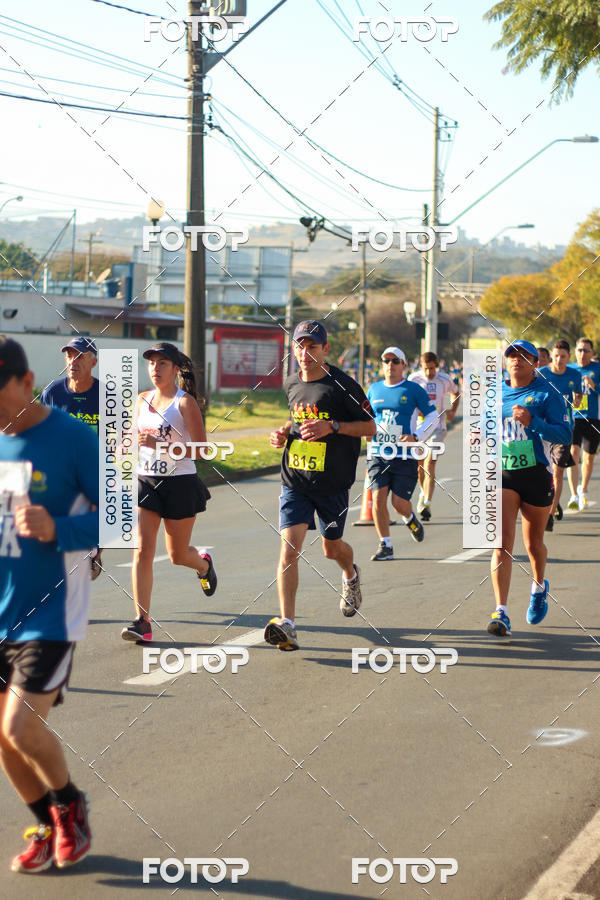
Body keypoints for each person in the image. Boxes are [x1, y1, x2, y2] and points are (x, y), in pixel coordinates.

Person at [0, 336, 98, 872]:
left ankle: (70, 808)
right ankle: (44, 823)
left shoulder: (73, 439)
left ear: (27, 382)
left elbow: (122, 517)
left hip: (49, 612)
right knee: (4, 740)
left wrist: (59, 527)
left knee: (19, 729)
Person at [265, 321, 375, 651]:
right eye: (299, 346)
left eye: (312, 346)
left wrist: (334, 426)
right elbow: (298, 418)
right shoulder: (291, 383)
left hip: (333, 483)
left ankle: (350, 574)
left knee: (331, 548)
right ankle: (288, 624)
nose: (304, 352)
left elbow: (371, 427)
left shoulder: (344, 385)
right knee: (289, 548)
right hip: (295, 480)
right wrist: (283, 432)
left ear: (325, 349)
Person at [121, 342, 216, 642]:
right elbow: (128, 441)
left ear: (175, 369)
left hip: (180, 483)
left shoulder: (184, 403)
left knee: (176, 555)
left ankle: (203, 565)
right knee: (142, 550)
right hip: (146, 480)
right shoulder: (141, 400)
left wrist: (160, 445)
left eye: (162, 363)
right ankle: (142, 621)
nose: (155, 368)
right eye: (151, 363)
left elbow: (201, 450)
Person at [487, 340, 571, 638]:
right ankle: (501, 611)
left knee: (534, 544)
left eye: (523, 356)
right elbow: (485, 426)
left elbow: (564, 433)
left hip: (537, 472)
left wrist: (533, 421)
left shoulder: (547, 393)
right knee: (502, 543)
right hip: (504, 472)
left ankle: (538, 586)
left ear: (536, 362)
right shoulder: (495, 391)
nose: (516, 360)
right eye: (511, 355)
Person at [366, 347, 438, 560]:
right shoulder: (374, 389)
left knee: (398, 503)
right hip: (379, 453)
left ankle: (410, 518)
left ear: (404, 365)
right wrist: (366, 433)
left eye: (395, 361)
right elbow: (366, 417)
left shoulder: (414, 390)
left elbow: (433, 417)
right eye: (386, 360)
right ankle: (385, 545)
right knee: (378, 498)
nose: (390, 365)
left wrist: (416, 436)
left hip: (405, 455)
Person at [41, 337, 103, 579]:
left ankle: (93, 552)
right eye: (69, 356)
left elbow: (121, 441)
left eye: (80, 356)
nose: (73, 361)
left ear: (93, 361)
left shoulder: (107, 396)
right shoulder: (53, 393)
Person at [408, 351, 460, 520]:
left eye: (431, 368)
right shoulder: (414, 379)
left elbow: (456, 392)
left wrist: (452, 410)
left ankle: (427, 505)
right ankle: (423, 494)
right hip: (419, 429)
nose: (429, 372)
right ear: (420, 367)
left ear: (436, 366)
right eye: (426, 369)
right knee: (420, 468)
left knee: (430, 464)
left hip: (438, 427)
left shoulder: (444, 379)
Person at [536, 339, 582, 530]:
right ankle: (546, 503)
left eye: (563, 356)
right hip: (542, 430)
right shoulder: (541, 374)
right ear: (551, 357)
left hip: (563, 430)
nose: (559, 360)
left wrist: (578, 400)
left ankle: (550, 514)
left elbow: (578, 401)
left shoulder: (574, 375)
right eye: (556, 356)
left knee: (558, 471)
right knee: (541, 471)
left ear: (568, 357)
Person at [567, 337, 600, 511]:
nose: (582, 353)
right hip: (573, 417)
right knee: (573, 453)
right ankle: (573, 495)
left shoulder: (597, 368)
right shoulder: (569, 369)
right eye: (579, 350)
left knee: (589, 459)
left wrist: (594, 386)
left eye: (586, 350)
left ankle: (583, 490)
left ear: (592, 353)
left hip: (593, 418)